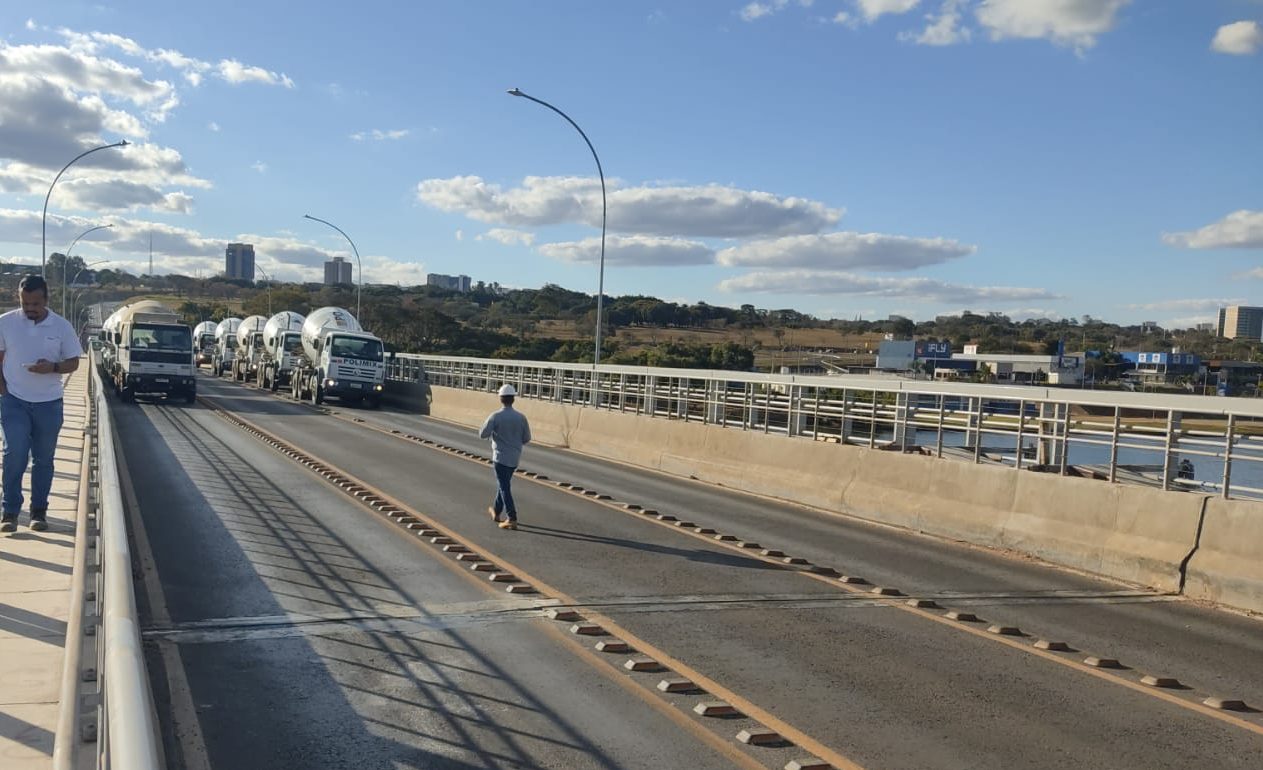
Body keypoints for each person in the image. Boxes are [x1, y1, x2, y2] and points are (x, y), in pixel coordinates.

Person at [0, 275, 83, 532]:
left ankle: (38, 512)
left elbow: (74, 362)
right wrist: (2, 390)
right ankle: (10, 512)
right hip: (14, 401)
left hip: (49, 403)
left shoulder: (62, 326)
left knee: (43, 459)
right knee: (14, 454)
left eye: (35, 303)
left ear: (47, 300)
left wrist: (52, 367)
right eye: (25, 303)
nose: (30, 308)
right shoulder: (5, 323)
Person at [479, 384, 531, 530]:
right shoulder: (521, 417)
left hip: (500, 457)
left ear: (500, 398)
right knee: (504, 485)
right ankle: (496, 511)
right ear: (513, 399)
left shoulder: (495, 416)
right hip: (514, 458)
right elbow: (527, 438)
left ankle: (511, 517)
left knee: (504, 487)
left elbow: (482, 434)